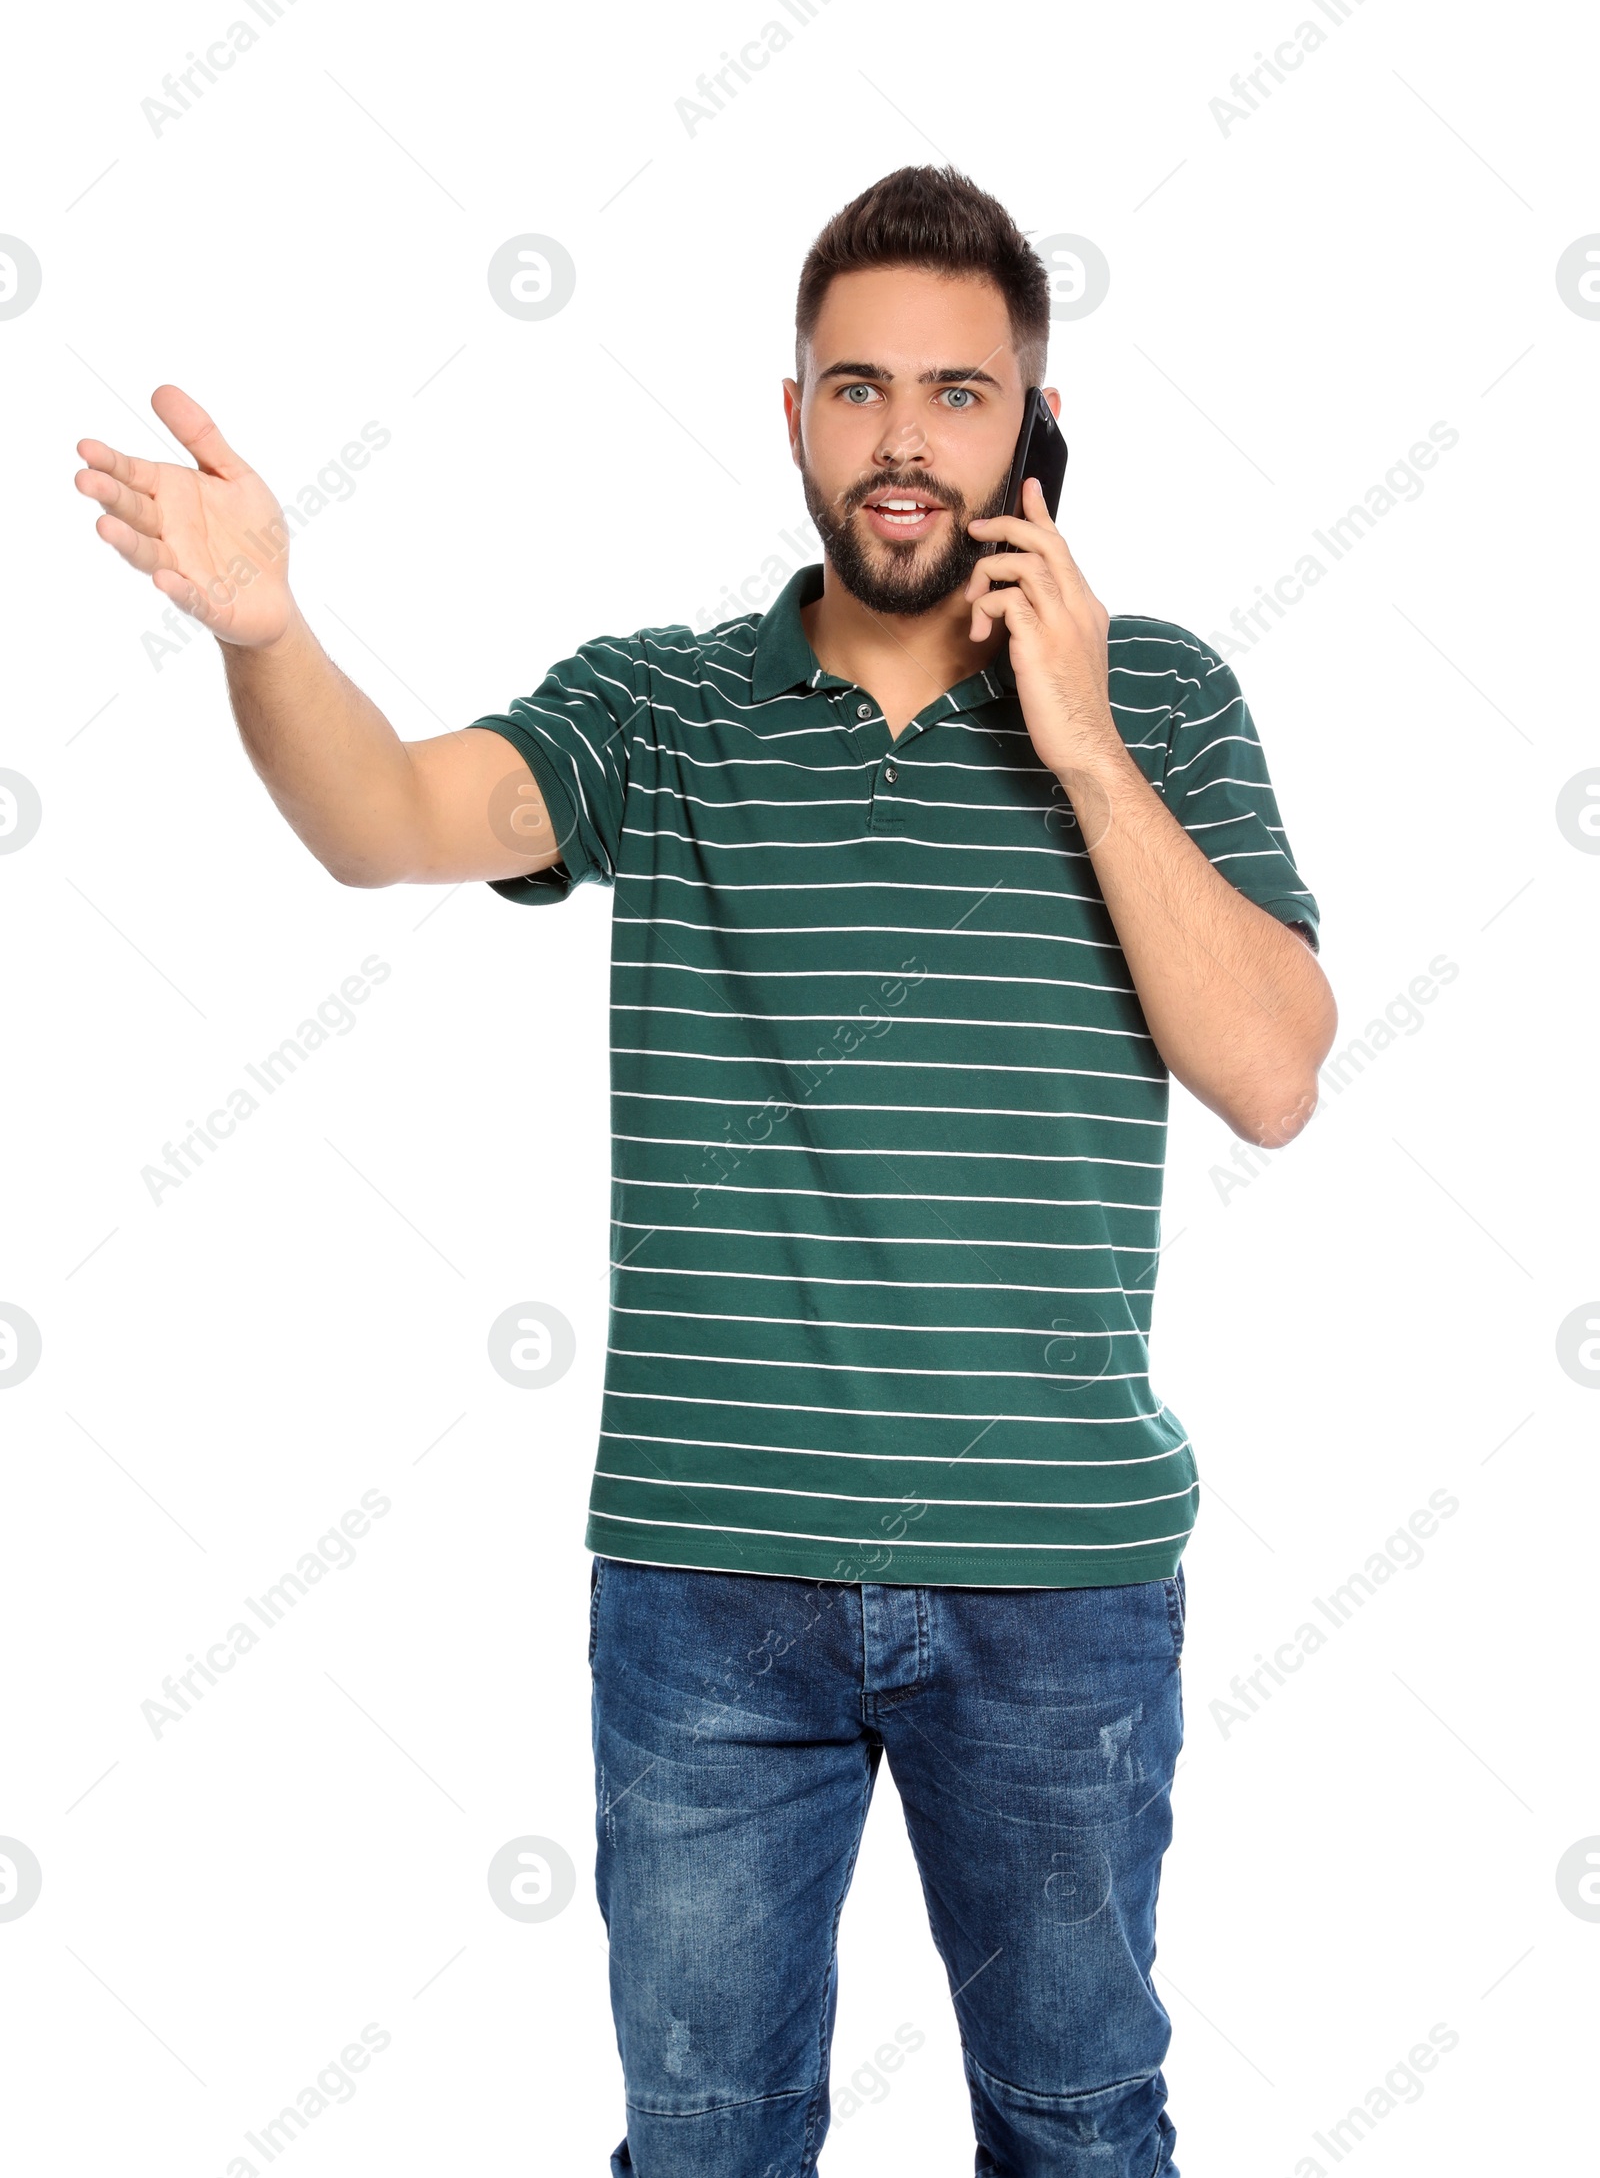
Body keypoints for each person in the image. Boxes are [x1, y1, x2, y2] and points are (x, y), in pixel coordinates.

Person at [74, 164, 1336, 2178]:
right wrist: (267, 630)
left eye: (954, 394)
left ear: (1034, 430)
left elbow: (1267, 1074)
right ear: (792, 418)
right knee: (703, 2146)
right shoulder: (660, 709)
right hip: (703, 1580)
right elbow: (385, 816)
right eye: (857, 391)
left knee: (1080, 2125)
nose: (903, 442)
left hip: (1058, 1578)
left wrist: (1081, 743)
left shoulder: (1161, 696)